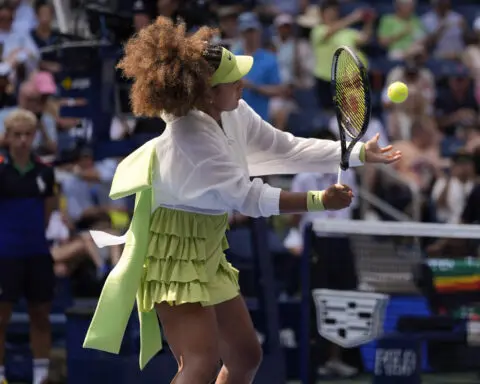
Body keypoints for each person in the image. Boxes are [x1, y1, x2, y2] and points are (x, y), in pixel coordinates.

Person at [83, 17, 401, 384]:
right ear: (205, 93)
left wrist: (359, 152)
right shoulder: (190, 135)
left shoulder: (235, 109)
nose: (241, 83)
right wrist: (318, 200)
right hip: (171, 249)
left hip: (209, 243)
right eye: (231, 79)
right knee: (199, 365)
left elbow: (285, 148)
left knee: (245, 356)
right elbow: (248, 198)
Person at [0, 108, 56, 384]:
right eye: (17, 135)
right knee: (0, 320)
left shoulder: (46, 173)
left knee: (41, 317)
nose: (23, 140)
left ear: (34, 136)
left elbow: (48, 211)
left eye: (27, 135)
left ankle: (41, 376)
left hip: (37, 254)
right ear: (7, 137)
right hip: (4, 256)